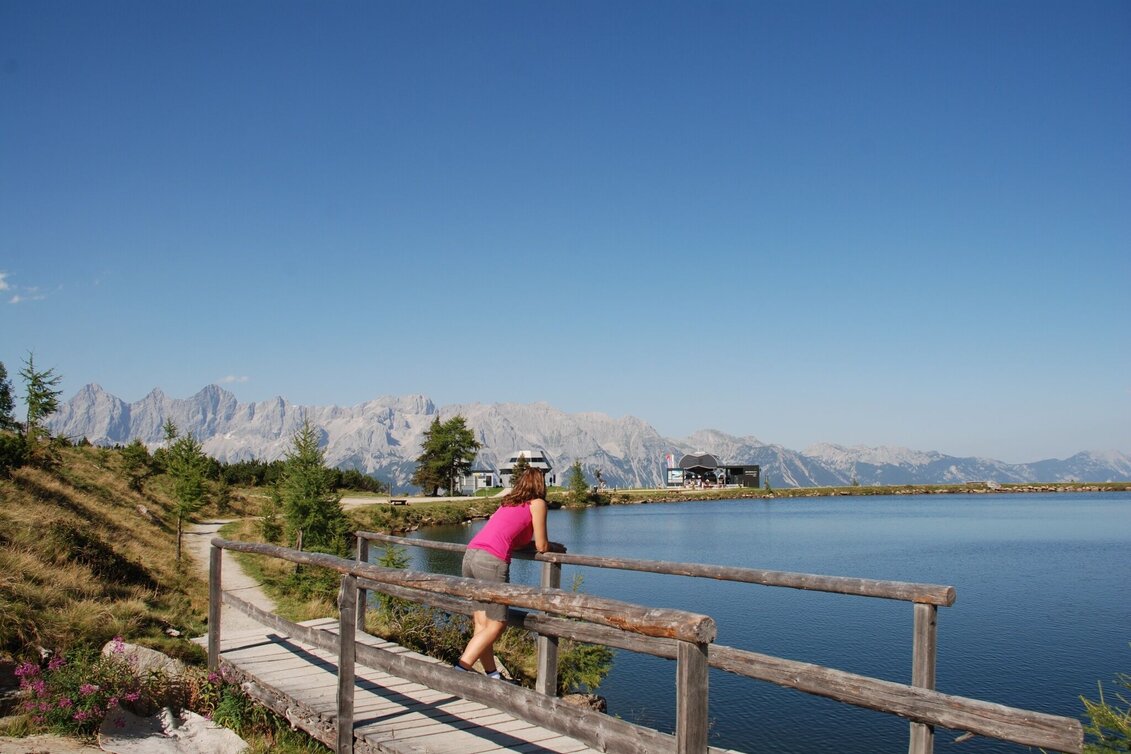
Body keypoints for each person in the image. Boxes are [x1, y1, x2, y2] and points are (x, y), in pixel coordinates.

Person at [455, 467, 565, 678]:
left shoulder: (507, 502)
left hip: (470, 554)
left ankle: (492, 674)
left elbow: (517, 538)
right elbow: (542, 546)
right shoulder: (538, 504)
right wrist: (554, 547)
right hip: (491, 561)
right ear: (541, 485)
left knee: (481, 623)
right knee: (497, 623)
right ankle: (460, 670)